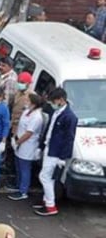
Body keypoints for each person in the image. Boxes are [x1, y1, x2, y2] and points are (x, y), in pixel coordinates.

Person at [34, 88, 77, 216]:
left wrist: (63, 158)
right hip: (49, 148)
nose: (52, 104)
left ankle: (50, 205)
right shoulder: (56, 112)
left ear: (61, 100)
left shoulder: (70, 117)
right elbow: (48, 129)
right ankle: (46, 201)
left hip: (56, 153)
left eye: (53, 101)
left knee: (45, 176)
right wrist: (41, 147)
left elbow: (69, 139)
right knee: (49, 178)